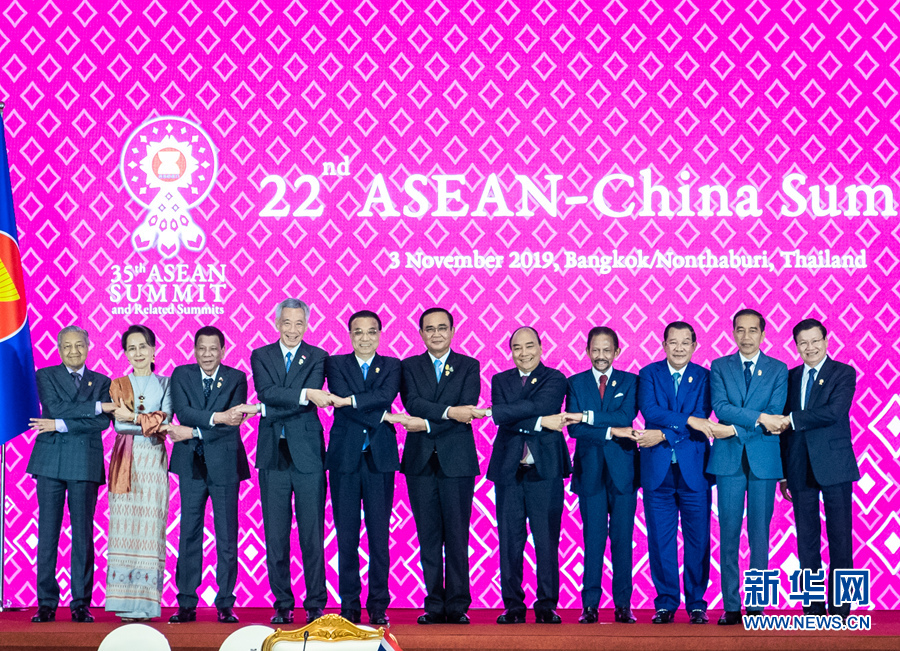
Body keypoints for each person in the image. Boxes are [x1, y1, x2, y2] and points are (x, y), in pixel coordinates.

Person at [243, 298, 330, 625]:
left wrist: (268, 408)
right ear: (277, 323)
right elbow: (266, 392)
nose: (293, 330)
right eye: (287, 323)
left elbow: (294, 398)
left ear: (306, 325)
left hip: (307, 454)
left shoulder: (318, 356)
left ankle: (316, 602)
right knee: (276, 534)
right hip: (272, 453)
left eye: (299, 323)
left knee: (312, 533)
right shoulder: (260, 355)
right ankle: (282, 602)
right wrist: (303, 394)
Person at [638, 321, 727, 624]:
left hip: (694, 470)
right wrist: (686, 422)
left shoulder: (704, 376)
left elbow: (703, 416)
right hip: (657, 471)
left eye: (685, 342)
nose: (678, 348)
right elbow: (651, 411)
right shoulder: (649, 374)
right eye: (673, 342)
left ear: (694, 346)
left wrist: (664, 433)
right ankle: (665, 603)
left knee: (698, 540)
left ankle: (697, 603)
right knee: (660, 540)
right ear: (663, 345)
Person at [398, 307, 483, 624]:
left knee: (458, 536)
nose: (436, 333)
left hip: (457, 460)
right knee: (428, 536)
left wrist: (429, 423)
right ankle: (434, 603)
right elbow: (413, 403)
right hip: (420, 461)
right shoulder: (409, 366)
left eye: (442, 328)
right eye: (430, 329)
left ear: (452, 331)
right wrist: (449, 413)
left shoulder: (469, 365)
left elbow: (467, 408)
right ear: (421, 333)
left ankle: (458, 604)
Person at [708, 309, 788, 625]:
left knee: (759, 535)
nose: (746, 336)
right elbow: (720, 406)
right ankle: (731, 605)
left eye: (753, 330)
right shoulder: (720, 366)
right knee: (728, 533)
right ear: (733, 333)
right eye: (740, 330)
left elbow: (775, 413)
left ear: (763, 334)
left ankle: (757, 606)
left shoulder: (778, 369)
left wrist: (733, 429)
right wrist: (756, 419)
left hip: (763, 460)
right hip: (728, 460)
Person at [166, 326, 250, 624]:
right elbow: (183, 413)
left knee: (227, 534)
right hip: (190, 463)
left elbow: (233, 422)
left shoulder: (237, 378)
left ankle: (225, 602)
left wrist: (195, 431)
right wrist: (216, 418)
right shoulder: (181, 374)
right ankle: (186, 601)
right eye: (201, 348)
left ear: (223, 351)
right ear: (194, 350)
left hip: (225, 462)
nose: (207, 354)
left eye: (213, 348)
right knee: (189, 532)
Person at [27, 325, 111, 623]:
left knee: (83, 534)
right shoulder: (45, 375)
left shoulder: (102, 381)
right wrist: (95, 407)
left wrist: (58, 424)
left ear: (88, 346)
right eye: (67, 346)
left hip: (85, 462)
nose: (74, 351)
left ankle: (81, 602)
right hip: (49, 461)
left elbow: (102, 423)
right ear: (59, 348)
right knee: (48, 532)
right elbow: (54, 406)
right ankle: (46, 602)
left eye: (79, 345)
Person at [485, 326, 568, 624]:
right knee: (510, 540)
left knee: (546, 539)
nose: (524, 353)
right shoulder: (500, 379)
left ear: (541, 347)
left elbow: (541, 405)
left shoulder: (555, 378)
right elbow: (504, 419)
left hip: (545, 470)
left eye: (529, 346)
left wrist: (508, 413)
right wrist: (539, 421)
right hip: (509, 469)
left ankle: (546, 604)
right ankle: (513, 605)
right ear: (510, 351)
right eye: (517, 347)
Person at [778, 318, 859, 617]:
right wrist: (783, 473)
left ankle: (841, 607)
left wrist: (792, 420)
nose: (809, 347)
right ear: (796, 346)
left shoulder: (843, 373)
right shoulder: (789, 377)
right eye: (803, 343)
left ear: (826, 341)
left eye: (815, 341)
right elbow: (783, 433)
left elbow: (834, 412)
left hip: (834, 465)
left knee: (841, 537)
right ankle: (812, 606)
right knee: (806, 539)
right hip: (798, 466)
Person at [325, 310, 401, 626]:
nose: (365, 338)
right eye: (358, 332)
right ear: (350, 335)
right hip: (344, 459)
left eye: (371, 332)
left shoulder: (393, 365)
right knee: (346, 536)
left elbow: (384, 396)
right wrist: (383, 415)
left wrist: (352, 402)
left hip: (379, 459)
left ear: (380, 334)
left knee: (379, 535)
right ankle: (349, 604)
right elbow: (344, 401)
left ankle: (379, 604)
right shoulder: (335, 364)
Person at [562, 326, 640, 624]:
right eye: (595, 350)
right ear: (586, 351)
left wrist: (588, 417)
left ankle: (623, 605)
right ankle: (590, 605)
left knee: (622, 540)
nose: (601, 355)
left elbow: (625, 416)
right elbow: (574, 428)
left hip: (623, 472)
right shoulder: (575, 383)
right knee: (592, 540)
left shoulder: (631, 381)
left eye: (607, 350)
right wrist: (610, 431)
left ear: (617, 351)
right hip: (590, 471)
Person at [104, 325, 171, 621]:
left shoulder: (166, 383)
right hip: (125, 460)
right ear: (126, 353)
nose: (138, 353)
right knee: (124, 527)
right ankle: (122, 601)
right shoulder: (118, 384)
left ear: (154, 349)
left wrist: (132, 416)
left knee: (151, 528)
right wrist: (147, 421)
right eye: (131, 348)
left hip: (154, 460)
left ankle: (147, 603)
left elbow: (165, 423)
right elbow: (119, 427)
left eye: (143, 346)